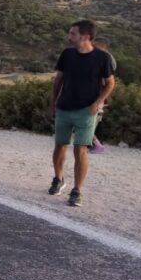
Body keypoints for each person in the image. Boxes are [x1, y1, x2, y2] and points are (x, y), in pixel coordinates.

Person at [49, 20, 115, 207]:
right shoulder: (67, 54)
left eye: (73, 34)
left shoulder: (102, 58)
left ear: (85, 37)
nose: (69, 37)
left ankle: (77, 191)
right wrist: (53, 102)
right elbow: (58, 80)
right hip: (64, 108)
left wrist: (97, 103)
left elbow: (110, 83)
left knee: (81, 150)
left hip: (86, 111)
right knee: (60, 145)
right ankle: (58, 179)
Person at [89, 38, 117, 154]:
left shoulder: (105, 58)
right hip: (101, 92)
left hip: (99, 92)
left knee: (93, 120)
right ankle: (96, 143)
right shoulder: (109, 58)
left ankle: (97, 144)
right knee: (97, 120)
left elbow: (107, 79)